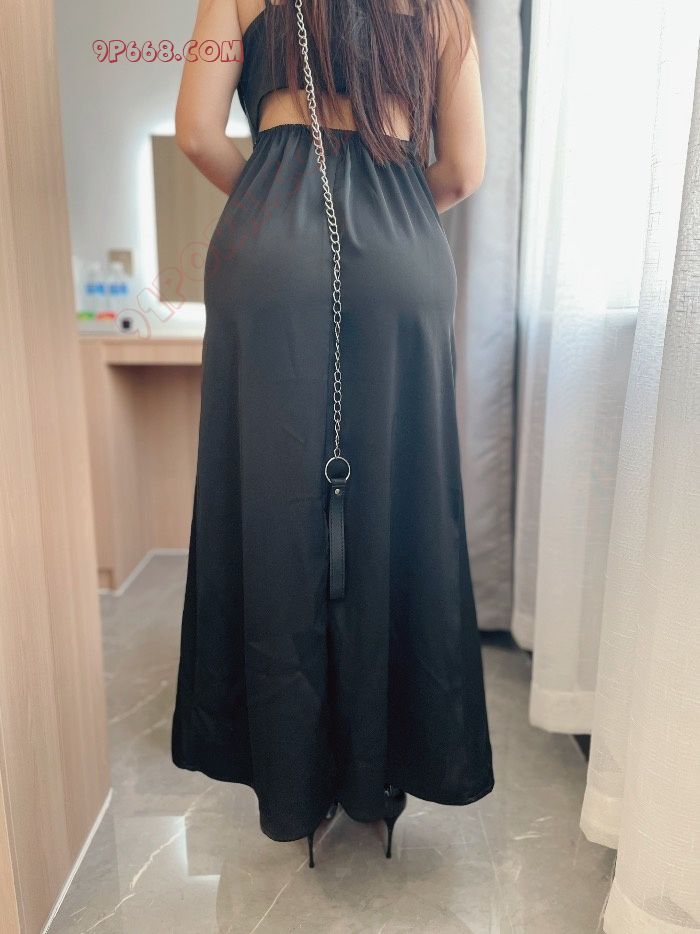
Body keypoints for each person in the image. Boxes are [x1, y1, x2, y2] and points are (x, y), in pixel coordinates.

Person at [171, 0, 494, 867]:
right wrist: (391, 212)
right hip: (402, 242)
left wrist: (277, 203)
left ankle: (293, 782)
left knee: (273, 501)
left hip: (270, 236)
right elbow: (464, 168)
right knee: (400, 501)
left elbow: (196, 132)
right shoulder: (441, 9)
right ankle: (380, 781)